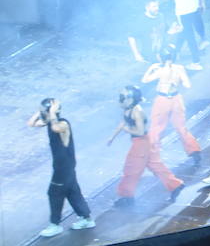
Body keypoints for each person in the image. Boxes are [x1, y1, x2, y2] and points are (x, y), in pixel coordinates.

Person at [28, 97, 95, 237]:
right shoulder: (49, 121)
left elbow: (55, 127)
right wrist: (40, 111)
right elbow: (31, 123)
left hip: (64, 167)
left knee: (54, 193)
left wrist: (51, 111)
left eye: (44, 111)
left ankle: (55, 225)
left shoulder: (63, 123)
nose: (43, 114)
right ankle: (87, 219)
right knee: (72, 191)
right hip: (63, 165)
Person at [108, 85, 183, 202]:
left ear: (130, 99)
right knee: (155, 165)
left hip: (141, 142)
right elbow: (123, 122)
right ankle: (175, 185)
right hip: (143, 141)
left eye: (122, 97)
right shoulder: (128, 110)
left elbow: (140, 131)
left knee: (131, 168)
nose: (120, 99)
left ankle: (126, 197)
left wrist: (127, 130)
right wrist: (112, 137)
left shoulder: (137, 112)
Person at [142, 46, 201, 160]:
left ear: (160, 57)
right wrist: (175, 81)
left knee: (156, 128)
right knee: (181, 127)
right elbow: (187, 85)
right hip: (176, 99)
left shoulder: (160, 70)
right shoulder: (179, 68)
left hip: (162, 100)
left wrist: (150, 68)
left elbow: (145, 80)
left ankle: (152, 154)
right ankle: (194, 151)